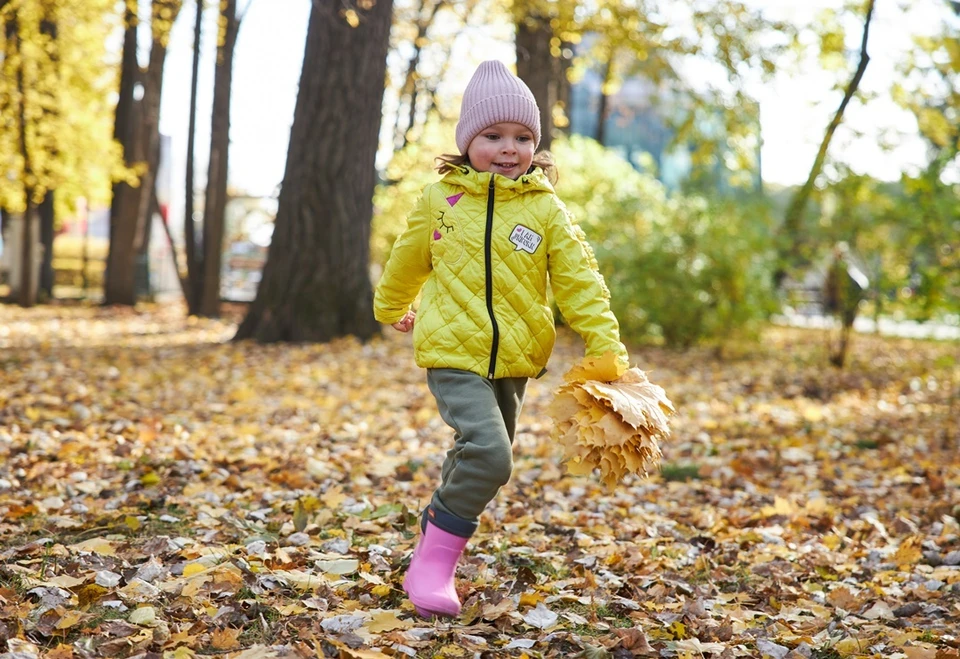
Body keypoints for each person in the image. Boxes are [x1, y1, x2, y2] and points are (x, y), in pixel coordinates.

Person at [373, 60, 629, 619]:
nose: (509, 148)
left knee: (476, 455)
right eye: (493, 136)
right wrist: (391, 306)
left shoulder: (544, 209)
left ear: (535, 146)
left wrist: (604, 345)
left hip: (514, 359)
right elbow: (407, 259)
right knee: (492, 456)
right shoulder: (442, 200)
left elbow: (580, 280)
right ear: (468, 143)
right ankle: (433, 566)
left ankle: (432, 535)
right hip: (451, 351)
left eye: (521, 137)